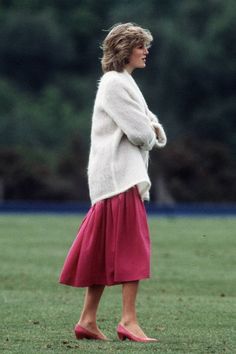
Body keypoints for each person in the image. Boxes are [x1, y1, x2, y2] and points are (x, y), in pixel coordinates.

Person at [59, 22, 167, 343]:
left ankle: (87, 320)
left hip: (113, 178)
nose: (146, 51)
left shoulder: (120, 82)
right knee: (133, 248)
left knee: (104, 250)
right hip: (121, 176)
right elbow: (140, 132)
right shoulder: (115, 84)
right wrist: (151, 130)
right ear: (125, 49)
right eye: (140, 46)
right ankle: (128, 321)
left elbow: (145, 125)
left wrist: (149, 127)